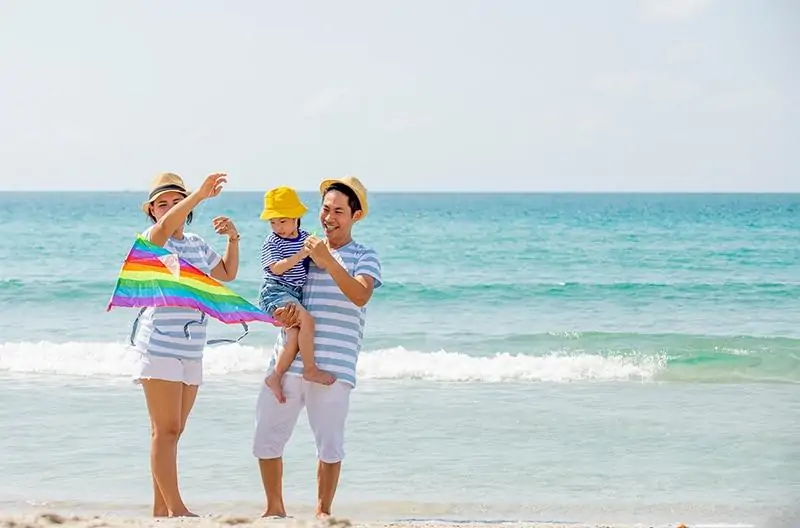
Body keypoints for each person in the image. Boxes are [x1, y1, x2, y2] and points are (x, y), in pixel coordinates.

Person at [252, 175, 382, 519]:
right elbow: (277, 283)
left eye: (339, 211)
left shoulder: (363, 255)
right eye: (326, 209)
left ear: (355, 216)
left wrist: (327, 260)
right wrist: (279, 313)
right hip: (288, 358)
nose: (329, 217)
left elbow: (360, 294)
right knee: (266, 433)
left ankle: (322, 512)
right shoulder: (302, 247)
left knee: (329, 443)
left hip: (334, 364)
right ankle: (274, 509)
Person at [132, 172, 240, 518]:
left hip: (192, 347)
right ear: (152, 211)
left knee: (171, 432)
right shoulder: (154, 239)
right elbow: (166, 226)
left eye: (174, 202)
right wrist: (198, 195)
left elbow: (225, 273)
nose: (168, 209)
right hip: (159, 344)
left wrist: (233, 238)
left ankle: (160, 509)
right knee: (166, 430)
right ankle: (176, 508)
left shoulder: (194, 243)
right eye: (161, 204)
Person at [258, 186, 336, 404]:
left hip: (293, 295)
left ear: (296, 217)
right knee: (307, 321)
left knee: (293, 336)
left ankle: (275, 375)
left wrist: (320, 252)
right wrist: (300, 253)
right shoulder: (272, 242)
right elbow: (277, 269)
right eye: (273, 222)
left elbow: (320, 262)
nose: (278, 227)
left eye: (282, 221)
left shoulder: (306, 238)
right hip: (275, 292)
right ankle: (310, 369)